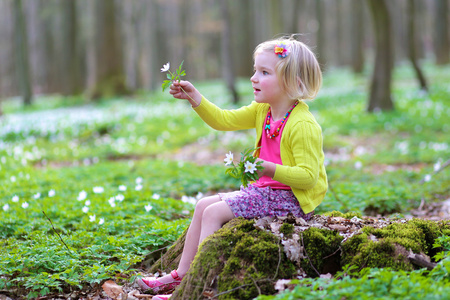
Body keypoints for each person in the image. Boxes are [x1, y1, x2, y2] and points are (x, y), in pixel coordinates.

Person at [136, 36, 327, 300]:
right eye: (254, 70)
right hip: (266, 192)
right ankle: (180, 274)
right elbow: (224, 120)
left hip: (290, 201)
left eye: (264, 72)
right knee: (203, 205)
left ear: (292, 82)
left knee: (214, 213)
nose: (253, 78)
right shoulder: (263, 111)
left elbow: (308, 178)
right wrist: (196, 99)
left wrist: (268, 168)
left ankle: (194, 287)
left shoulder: (302, 124)